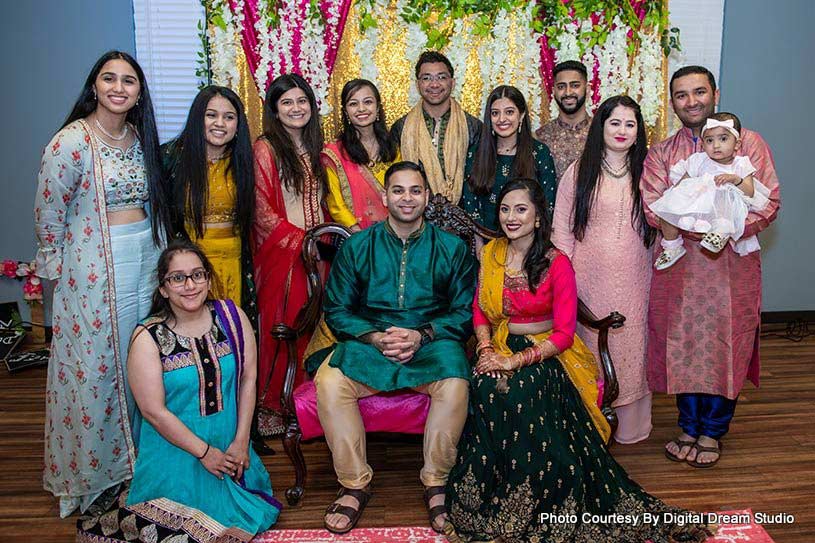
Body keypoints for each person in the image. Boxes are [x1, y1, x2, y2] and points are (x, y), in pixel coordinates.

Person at [444, 179, 711, 543]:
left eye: (521, 209)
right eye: (505, 209)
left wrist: (515, 361)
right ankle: (499, 491)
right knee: (485, 387)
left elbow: (564, 334)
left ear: (539, 217)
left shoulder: (556, 263)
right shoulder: (491, 253)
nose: (511, 217)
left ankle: (542, 489)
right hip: (499, 343)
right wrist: (488, 349)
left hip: (547, 353)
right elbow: (479, 309)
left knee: (518, 390)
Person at [34, 50, 169, 517]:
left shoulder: (139, 139)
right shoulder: (71, 142)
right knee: (94, 367)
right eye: (109, 79)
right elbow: (48, 215)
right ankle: (93, 476)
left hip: (144, 259)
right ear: (94, 86)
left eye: (128, 81)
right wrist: (63, 277)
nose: (118, 87)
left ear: (138, 92)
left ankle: (137, 462)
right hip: (92, 268)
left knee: (141, 356)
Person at [309, 161, 476, 534]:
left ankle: (436, 482)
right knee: (331, 382)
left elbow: (464, 312)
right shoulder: (359, 246)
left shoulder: (451, 248)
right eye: (398, 190)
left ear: (426, 197)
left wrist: (423, 334)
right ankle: (354, 484)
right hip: (370, 341)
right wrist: (374, 336)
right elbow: (337, 309)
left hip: (431, 342)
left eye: (415, 190)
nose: (407, 198)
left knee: (455, 383)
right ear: (385, 197)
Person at [76, 239, 281, 542]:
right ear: (163, 288)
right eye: (177, 278)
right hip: (175, 456)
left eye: (197, 275)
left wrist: (241, 441)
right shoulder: (148, 337)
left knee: (246, 514)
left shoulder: (231, 316)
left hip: (230, 453)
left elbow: (248, 379)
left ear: (208, 280)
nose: (189, 285)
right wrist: (204, 452)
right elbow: (153, 412)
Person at [642, 66, 780, 467]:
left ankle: (713, 430)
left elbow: (769, 202)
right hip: (681, 269)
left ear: (715, 94)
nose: (692, 101)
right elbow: (654, 206)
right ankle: (687, 425)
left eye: (699, 92)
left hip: (731, 268)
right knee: (684, 345)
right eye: (682, 95)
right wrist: (691, 230)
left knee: (726, 345)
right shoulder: (663, 152)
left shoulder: (747, 144)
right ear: (672, 103)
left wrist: (725, 227)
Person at [551, 95, 656, 444]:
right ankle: (588, 425)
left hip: (637, 276)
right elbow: (562, 230)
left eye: (630, 124)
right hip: (588, 277)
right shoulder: (580, 170)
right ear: (602, 127)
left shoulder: (650, 171)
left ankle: (629, 427)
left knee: (632, 343)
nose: (623, 130)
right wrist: (562, 277)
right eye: (615, 123)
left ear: (639, 130)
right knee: (590, 343)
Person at [252, 74, 327, 435]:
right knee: (287, 326)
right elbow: (262, 211)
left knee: (316, 327)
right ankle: (275, 409)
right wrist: (303, 241)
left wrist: (324, 241)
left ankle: (308, 404)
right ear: (275, 110)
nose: (296, 109)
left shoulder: (316, 147)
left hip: (319, 253)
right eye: (287, 103)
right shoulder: (266, 148)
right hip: (286, 254)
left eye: (302, 101)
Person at [162, 85, 256, 310]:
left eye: (229, 117)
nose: (220, 124)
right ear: (197, 118)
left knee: (231, 330)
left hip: (234, 263)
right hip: (187, 267)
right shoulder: (170, 159)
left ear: (238, 124)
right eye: (211, 115)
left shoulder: (246, 162)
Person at [650, 112, 771, 270]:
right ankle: (673, 246)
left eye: (723, 139)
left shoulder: (741, 164)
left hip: (726, 207)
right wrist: (674, 200)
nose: (716, 145)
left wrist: (735, 179)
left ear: (737, 144)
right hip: (697, 202)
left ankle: (720, 230)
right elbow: (682, 183)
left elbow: (749, 192)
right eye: (709, 140)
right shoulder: (698, 160)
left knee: (723, 193)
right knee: (666, 207)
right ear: (702, 144)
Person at [459, 85, 557, 230]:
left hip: (529, 243)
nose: (502, 119)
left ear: (521, 115)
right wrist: (481, 247)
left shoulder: (539, 152)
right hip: (485, 242)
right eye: (495, 113)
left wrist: (530, 248)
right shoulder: (476, 153)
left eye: (509, 112)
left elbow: (547, 206)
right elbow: (470, 204)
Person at [390, 51, 482, 202]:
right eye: (426, 78)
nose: (434, 84)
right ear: (417, 84)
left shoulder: (473, 126)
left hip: (465, 218)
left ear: (452, 83)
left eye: (441, 77)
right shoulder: (401, 128)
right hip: (415, 215)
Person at [323, 79, 399, 231]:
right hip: (353, 236)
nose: (361, 109)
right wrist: (358, 235)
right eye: (353, 104)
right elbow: (335, 203)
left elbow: (400, 191)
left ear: (378, 108)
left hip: (394, 233)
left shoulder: (393, 148)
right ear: (346, 112)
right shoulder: (334, 153)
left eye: (368, 102)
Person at [536, 60, 591, 180]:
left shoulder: (601, 133)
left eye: (575, 85)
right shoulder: (540, 137)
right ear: (554, 91)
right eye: (561, 87)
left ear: (587, 89)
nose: (568, 92)